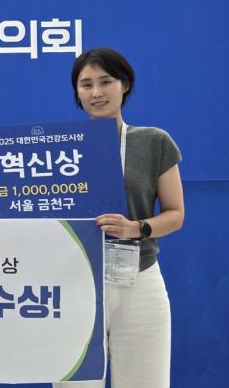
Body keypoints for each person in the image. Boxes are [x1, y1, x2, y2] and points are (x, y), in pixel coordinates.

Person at [54, 48, 184, 388]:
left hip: (138, 279)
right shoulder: (57, 148)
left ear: (124, 85)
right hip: (75, 281)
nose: (96, 93)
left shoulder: (154, 141)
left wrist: (137, 228)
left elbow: (175, 214)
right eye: (86, 85)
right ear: (77, 92)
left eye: (106, 82)